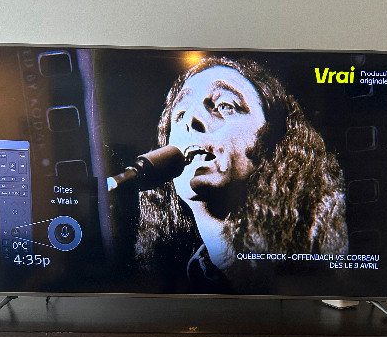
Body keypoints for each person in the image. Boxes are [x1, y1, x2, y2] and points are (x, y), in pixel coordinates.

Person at [135, 56, 348, 293]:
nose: (191, 121)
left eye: (225, 105)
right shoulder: (183, 280)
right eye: (181, 112)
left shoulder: (314, 277)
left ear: (275, 139)